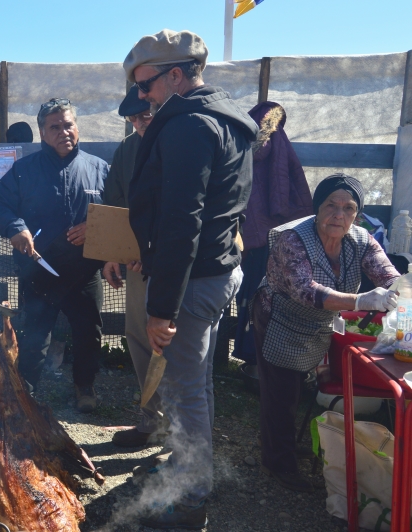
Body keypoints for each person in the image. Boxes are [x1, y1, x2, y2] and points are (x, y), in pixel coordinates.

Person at [123, 29, 259, 529]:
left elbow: (183, 222)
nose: (142, 96)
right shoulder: (229, 118)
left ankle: (191, 496)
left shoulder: (188, 126)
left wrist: (161, 308)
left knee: (183, 388)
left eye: (146, 85)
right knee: (197, 383)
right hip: (220, 271)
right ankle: (189, 467)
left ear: (176, 75)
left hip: (194, 280)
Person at [254, 174, 399, 492]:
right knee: (281, 393)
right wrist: (361, 300)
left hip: (318, 324)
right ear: (316, 208)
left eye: (348, 208)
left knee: (299, 386)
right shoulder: (291, 238)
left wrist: (401, 290)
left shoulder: (360, 240)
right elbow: (305, 291)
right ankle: (277, 463)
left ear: (356, 215)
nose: (339, 214)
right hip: (281, 319)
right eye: (331, 205)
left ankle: (284, 446)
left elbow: (386, 273)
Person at [0, 98, 108, 413]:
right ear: (42, 132)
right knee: (34, 337)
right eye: (55, 127)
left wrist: (96, 228)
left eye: (68, 124)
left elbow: (120, 212)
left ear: (76, 126)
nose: (63, 132)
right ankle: (27, 393)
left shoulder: (98, 169)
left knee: (88, 333)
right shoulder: (24, 171)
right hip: (40, 270)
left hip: (84, 270)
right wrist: (16, 228)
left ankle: (85, 388)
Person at [101, 86, 163, 447]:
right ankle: (152, 419)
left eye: (145, 116)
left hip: (174, 261)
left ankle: (182, 432)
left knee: (174, 342)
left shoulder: (180, 148)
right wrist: (113, 253)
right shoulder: (126, 151)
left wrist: (150, 247)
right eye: (133, 119)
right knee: (138, 335)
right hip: (137, 264)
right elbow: (114, 204)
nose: (139, 124)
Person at [232, 101, 312, 366]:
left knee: (250, 296)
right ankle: (268, 358)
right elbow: (285, 187)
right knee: (275, 297)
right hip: (275, 233)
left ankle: (250, 356)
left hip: (248, 236)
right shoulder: (279, 141)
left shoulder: (239, 144)